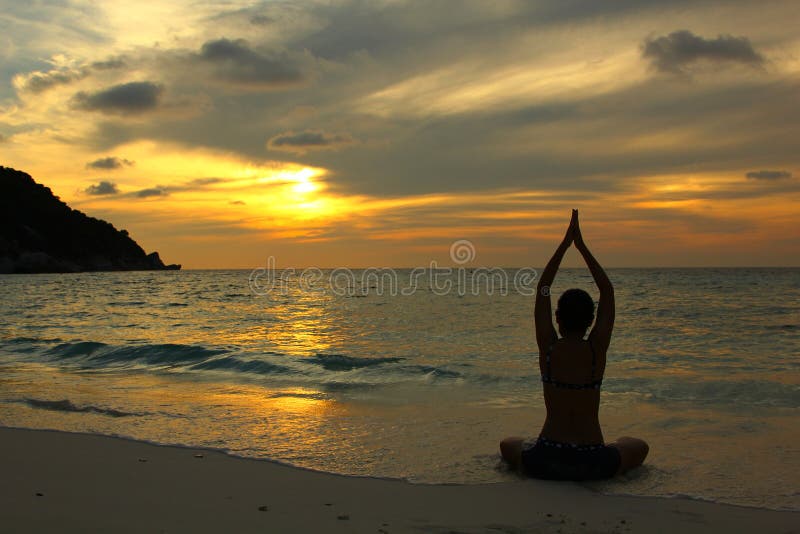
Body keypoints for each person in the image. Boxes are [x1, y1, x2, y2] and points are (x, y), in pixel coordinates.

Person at [500, 209, 648, 480]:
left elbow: (543, 286)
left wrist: (565, 245)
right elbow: (607, 291)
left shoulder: (549, 349)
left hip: (546, 458)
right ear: (591, 320)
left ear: (557, 318)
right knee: (636, 445)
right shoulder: (595, 351)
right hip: (592, 460)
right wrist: (581, 247)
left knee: (509, 443)